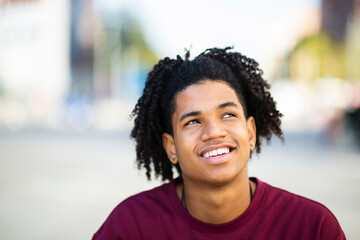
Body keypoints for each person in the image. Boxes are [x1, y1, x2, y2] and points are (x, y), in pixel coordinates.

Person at [92, 47, 345, 239]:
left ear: (250, 132)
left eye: (227, 115)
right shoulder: (129, 227)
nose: (213, 132)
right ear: (171, 147)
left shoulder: (313, 228)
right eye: (192, 121)